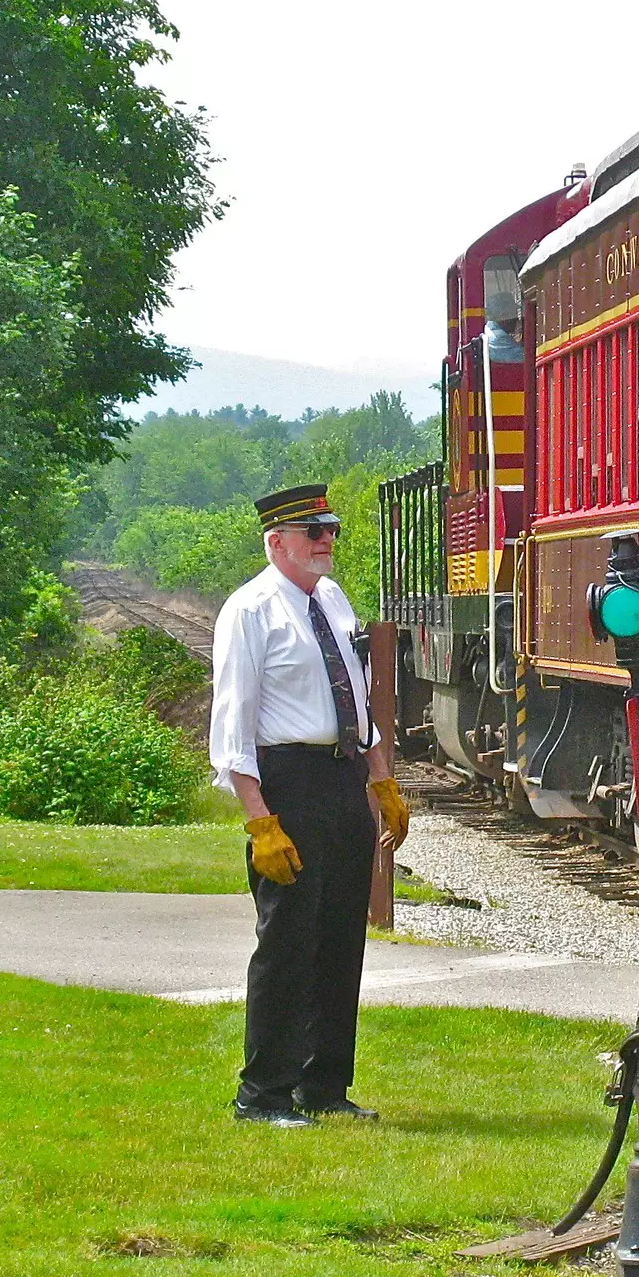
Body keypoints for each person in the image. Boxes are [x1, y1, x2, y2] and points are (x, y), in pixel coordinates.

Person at [210, 483, 411, 1126]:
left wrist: (380, 778)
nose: (326, 541)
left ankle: (324, 1086)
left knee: (340, 935)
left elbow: (355, 698)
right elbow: (233, 727)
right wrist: (259, 818)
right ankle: (262, 1093)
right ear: (277, 543)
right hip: (287, 782)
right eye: (313, 532)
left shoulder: (330, 599)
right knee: (287, 941)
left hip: (341, 775)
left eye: (331, 530)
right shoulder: (250, 610)